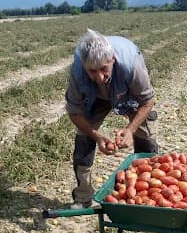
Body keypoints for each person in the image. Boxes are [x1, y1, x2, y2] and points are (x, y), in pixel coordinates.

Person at [64, 28, 159, 208]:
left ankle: (148, 195)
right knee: (83, 139)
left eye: (104, 69)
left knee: (146, 138)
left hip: (127, 92)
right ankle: (83, 196)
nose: (99, 77)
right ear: (84, 66)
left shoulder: (131, 66)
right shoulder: (78, 72)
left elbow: (148, 101)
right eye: (92, 71)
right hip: (94, 97)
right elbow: (74, 111)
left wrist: (130, 130)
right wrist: (97, 136)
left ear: (112, 60)